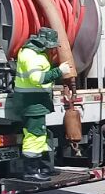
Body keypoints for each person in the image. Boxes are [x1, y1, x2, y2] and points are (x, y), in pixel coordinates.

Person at [14, 28, 71, 182]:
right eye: (51, 45)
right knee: (34, 136)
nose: (52, 48)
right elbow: (37, 79)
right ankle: (31, 172)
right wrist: (59, 71)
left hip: (36, 101)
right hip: (31, 102)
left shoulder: (36, 53)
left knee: (41, 135)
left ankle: (44, 167)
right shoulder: (30, 55)